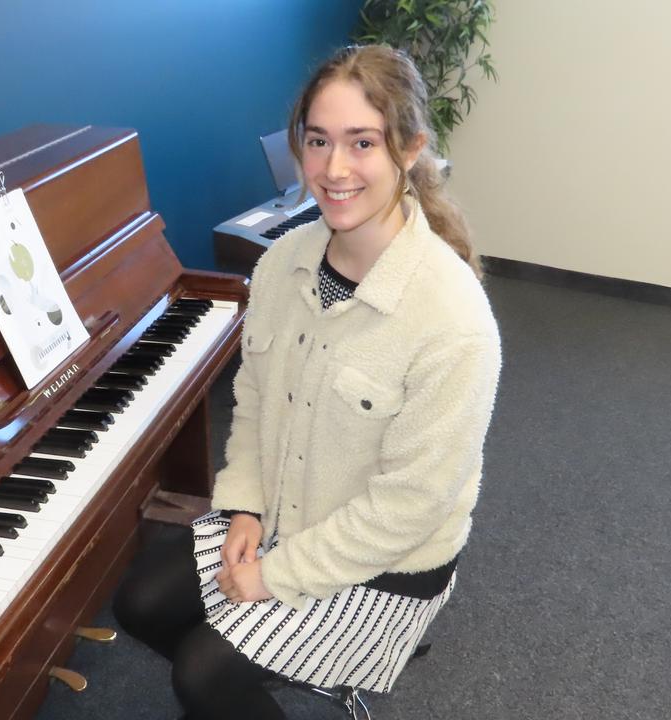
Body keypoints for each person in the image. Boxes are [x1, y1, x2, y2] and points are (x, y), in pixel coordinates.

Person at [113, 44, 501, 719]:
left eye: (362, 143)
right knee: (139, 602)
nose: (333, 168)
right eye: (318, 141)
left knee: (204, 672)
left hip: (388, 567)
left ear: (409, 150)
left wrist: (275, 576)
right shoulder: (282, 264)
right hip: (283, 511)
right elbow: (257, 399)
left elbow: (407, 509)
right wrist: (244, 504)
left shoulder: (453, 320)